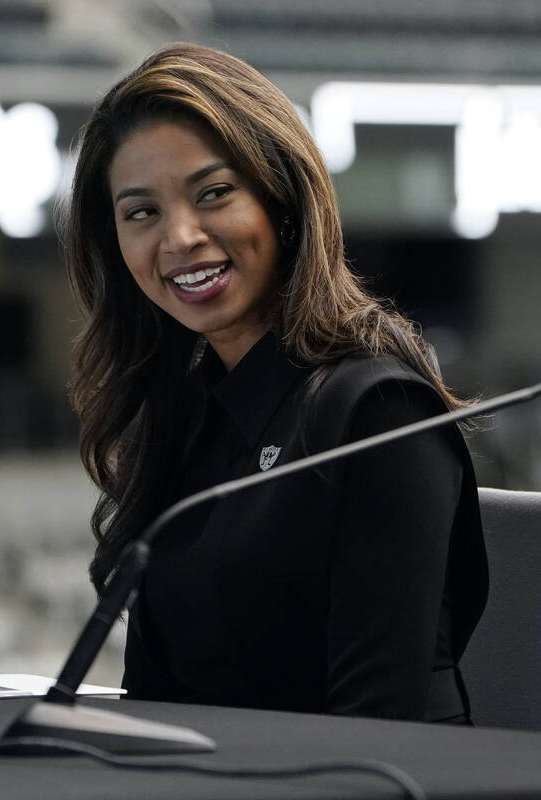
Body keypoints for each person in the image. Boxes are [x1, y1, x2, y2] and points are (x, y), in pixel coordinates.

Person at [62, 42, 487, 724]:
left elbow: (379, 720)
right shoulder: (183, 415)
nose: (180, 237)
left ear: (282, 199)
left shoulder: (378, 410)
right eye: (140, 213)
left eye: (214, 195)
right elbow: (154, 701)